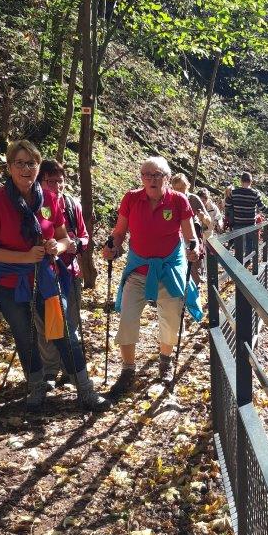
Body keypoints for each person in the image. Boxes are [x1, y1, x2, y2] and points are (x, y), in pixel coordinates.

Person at [0, 140, 106, 412]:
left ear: (38, 167)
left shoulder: (49, 198)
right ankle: (37, 387)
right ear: (9, 167)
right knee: (25, 333)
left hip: (44, 276)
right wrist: (24, 257)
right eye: (19, 163)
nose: (26, 169)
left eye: (31, 163)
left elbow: (64, 238)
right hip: (7, 280)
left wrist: (58, 246)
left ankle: (86, 390)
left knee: (64, 331)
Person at [102, 156, 202, 392]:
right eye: (146, 175)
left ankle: (165, 362)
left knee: (171, 317)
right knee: (127, 317)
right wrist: (112, 246)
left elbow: (190, 236)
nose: (151, 179)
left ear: (167, 178)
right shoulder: (131, 198)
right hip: (138, 267)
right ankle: (128, 369)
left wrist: (194, 248)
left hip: (169, 267)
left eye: (157, 175)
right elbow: (119, 232)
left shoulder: (178, 201)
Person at [37, 159, 87, 386]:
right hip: (43, 273)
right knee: (46, 323)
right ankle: (49, 371)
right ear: (40, 182)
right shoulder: (34, 205)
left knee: (71, 322)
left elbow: (83, 235)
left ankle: (70, 370)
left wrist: (77, 243)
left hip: (71, 271)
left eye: (60, 181)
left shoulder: (71, 205)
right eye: (51, 181)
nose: (57, 186)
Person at [171, 174, 210, 284]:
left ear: (187, 186)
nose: (179, 191)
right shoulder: (170, 199)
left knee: (193, 268)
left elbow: (209, 221)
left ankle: (194, 295)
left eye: (181, 188)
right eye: (176, 189)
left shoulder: (193, 199)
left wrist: (203, 217)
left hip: (192, 239)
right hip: (176, 239)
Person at [226, 171, 268, 254]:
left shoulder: (233, 193)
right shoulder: (255, 194)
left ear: (241, 181)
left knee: (238, 247)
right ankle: (248, 261)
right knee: (249, 245)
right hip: (250, 225)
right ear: (251, 181)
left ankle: (238, 263)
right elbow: (262, 208)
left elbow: (227, 206)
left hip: (238, 224)